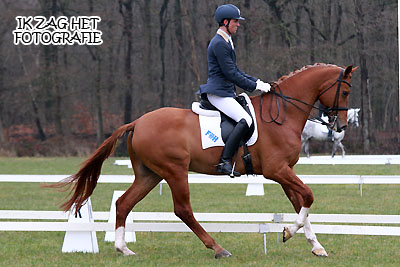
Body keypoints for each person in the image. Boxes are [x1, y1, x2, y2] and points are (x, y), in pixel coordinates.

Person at [198, 4, 271, 177]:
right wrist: (254, 87)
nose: (238, 25)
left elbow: (236, 71)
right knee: (245, 119)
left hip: (225, 91)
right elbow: (231, 74)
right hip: (218, 93)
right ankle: (224, 161)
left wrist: (257, 81)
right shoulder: (219, 43)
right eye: (235, 22)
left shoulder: (226, 40)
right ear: (226, 22)